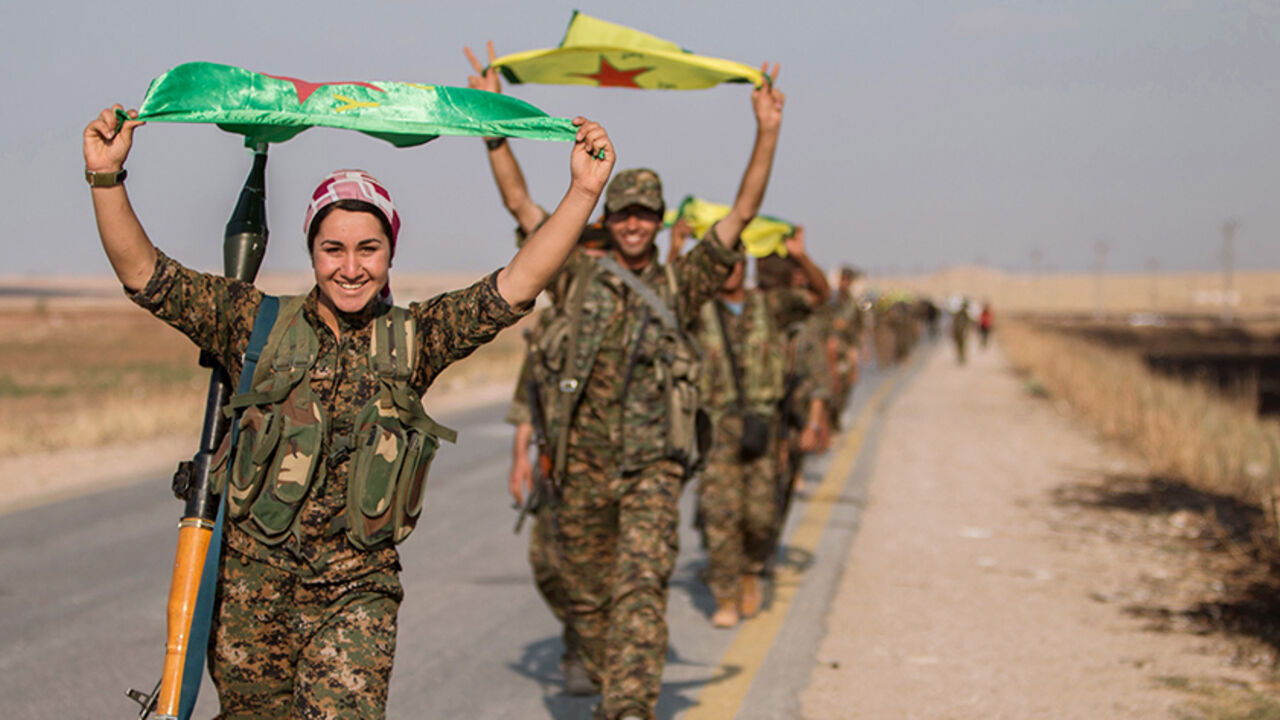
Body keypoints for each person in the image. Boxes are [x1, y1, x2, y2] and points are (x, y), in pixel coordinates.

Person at [84, 102, 614, 719]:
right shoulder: (254, 325)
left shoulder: (414, 339)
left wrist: (582, 192)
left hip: (355, 594)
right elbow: (146, 275)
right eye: (333, 249)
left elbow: (515, 287)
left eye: (369, 248)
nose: (351, 267)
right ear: (311, 250)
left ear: (390, 252)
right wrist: (105, 178)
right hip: (250, 597)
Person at [466, 42, 785, 720]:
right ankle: (610, 675)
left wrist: (766, 132)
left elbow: (741, 217)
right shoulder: (576, 273)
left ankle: (629, 709)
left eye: (647, 212)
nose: (636, 222)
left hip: (651, 471)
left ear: (662, 219)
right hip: (580, 469)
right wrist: (494, 125)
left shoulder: (681, 281)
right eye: (626, 212)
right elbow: (523, 203)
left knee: (640, 591)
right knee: (585, 594)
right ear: (609, 221)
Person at [675, 223, 798, 629]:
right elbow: (668, 298)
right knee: (720, 514)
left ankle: (750, 568)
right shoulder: (699, 310)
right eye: (722, 262)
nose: (729, 270)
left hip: (761, 424)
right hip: (715, 426)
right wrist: (676, 248)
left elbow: (818, 297)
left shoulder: (769, 307)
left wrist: (800, 256)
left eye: (736, 262)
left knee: (761, 515)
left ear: (744, 266)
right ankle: (726, 593)